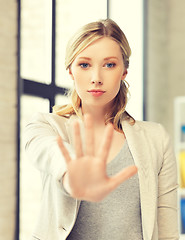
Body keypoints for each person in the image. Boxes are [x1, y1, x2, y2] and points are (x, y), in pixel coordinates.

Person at [24, 19, 179, 240]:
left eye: (109, 65)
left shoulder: (156, 139)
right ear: (70, 70)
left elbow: (167, 232)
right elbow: (46, 151)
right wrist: (71, 175)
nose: (96, 78)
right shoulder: (45, 126)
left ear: (124, 71)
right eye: (84, 65)